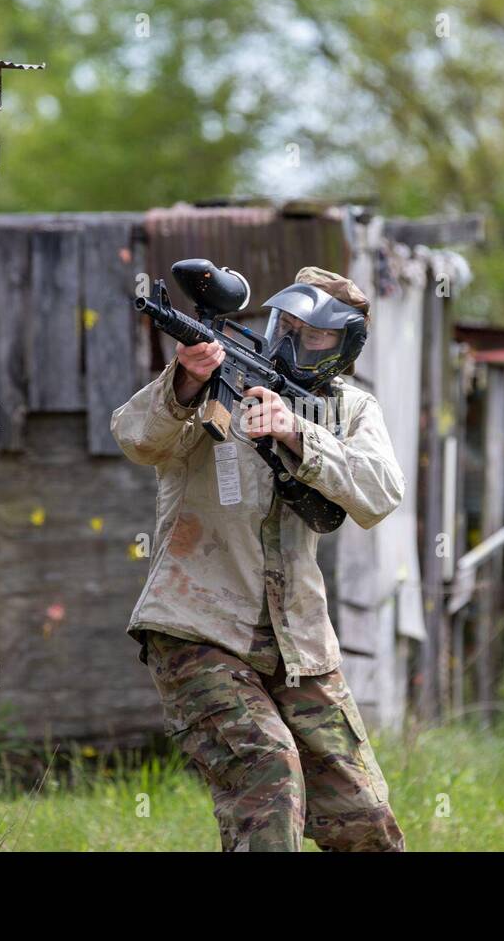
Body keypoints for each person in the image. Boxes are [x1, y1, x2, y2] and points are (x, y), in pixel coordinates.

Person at [110, 266, 407, 851]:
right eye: (285, 326)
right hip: (198, 630)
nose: (294, 341)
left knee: (365, 816)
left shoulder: (350, 410)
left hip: (298, 644)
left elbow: (380, 492)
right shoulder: (213, 382)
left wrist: (297, 432)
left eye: (313, 334)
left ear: (344, 343)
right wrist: (186, 383)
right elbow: (137, 438)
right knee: (269, 774)